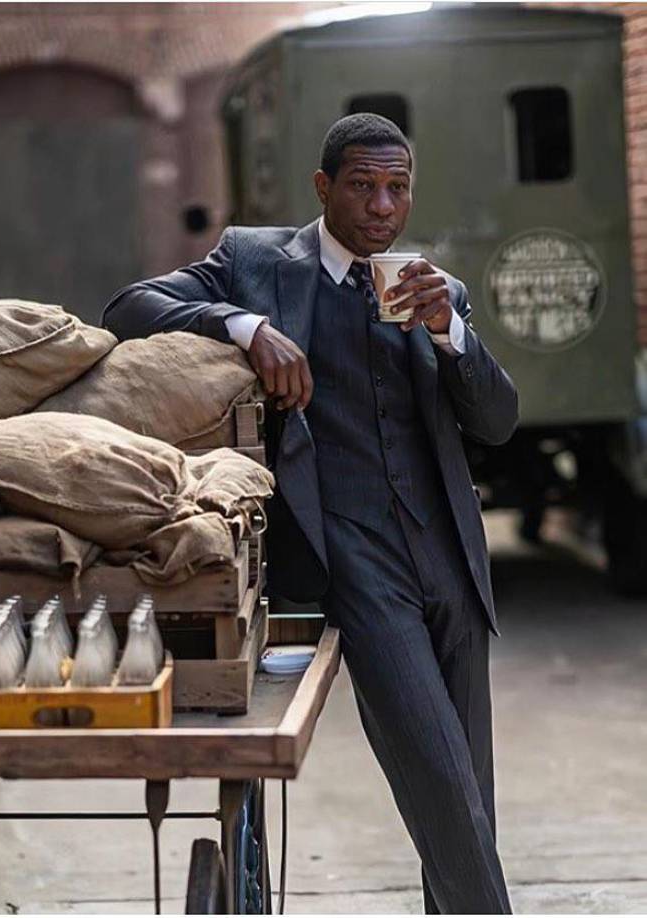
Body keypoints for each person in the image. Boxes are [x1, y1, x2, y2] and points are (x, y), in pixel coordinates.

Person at [102, 112, 517, 914]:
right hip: (350, 554)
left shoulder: (437, 289)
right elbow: (130, 304)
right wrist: (246, 325)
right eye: (363, 186)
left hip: (450, 559)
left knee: (466, 786)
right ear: (324, 188)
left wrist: (452, 333)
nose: (382, 207)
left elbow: (496, 423)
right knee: (434, 762)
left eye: (398, 188)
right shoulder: (256, 263)